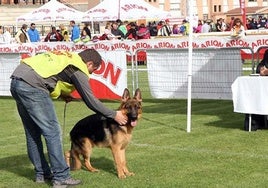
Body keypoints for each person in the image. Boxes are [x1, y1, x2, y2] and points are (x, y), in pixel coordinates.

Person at [9, 49, 127, 187]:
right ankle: (61, 176)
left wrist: (61, 95)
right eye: (93, 70)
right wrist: (114, 114)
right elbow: (91, 101)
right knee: (52, 132)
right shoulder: (78, 68)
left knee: (32, 133)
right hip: (33, 87)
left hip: (17, 80)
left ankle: (42, 173)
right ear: (89, 63)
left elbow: (48, 76)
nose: (91, 73)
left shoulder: (67, 58)